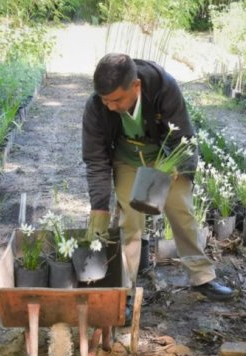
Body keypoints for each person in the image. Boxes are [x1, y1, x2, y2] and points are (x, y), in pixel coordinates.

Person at [82, 53, 233, 301]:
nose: (110, 106)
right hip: (126, 158)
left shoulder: (164, 87)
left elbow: (182, 137)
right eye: (105, 100)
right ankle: (125, 291)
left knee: (181, 210)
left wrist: (173, 169)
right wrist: (99, 207)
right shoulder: (97, 106)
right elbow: (96, 159)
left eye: (116, 100)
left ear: (136, 86)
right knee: (130, 220)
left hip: (166, 157)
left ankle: (202, 277)